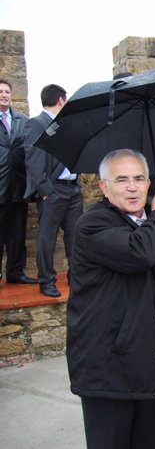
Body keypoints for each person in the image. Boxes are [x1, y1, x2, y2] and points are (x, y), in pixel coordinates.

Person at [66, 149, 155, 449]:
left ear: (149, 184)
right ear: (104, 187)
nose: (132, 187)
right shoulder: (93, 225)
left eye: (139, 178)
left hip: (148, 365)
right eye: (121, 180)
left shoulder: (149, 224)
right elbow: (138, 253)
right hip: (109, 371)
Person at [24, 84, 83, 297]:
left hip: (73, 190)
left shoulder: (64, 124)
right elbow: (32, 158)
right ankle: (46, 280)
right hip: (53, 190)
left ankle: (75, 277)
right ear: (60, 99)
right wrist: (46, 189)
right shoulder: (36, 124)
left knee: (74, 237)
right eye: (65, 100)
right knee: (47, 239)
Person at [0, 78, 36, 284]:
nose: (4, 95)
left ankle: (15, 272)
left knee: (16, 235)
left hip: (18, 187)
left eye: (7, 92)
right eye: (0, 92)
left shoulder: (22, 120)